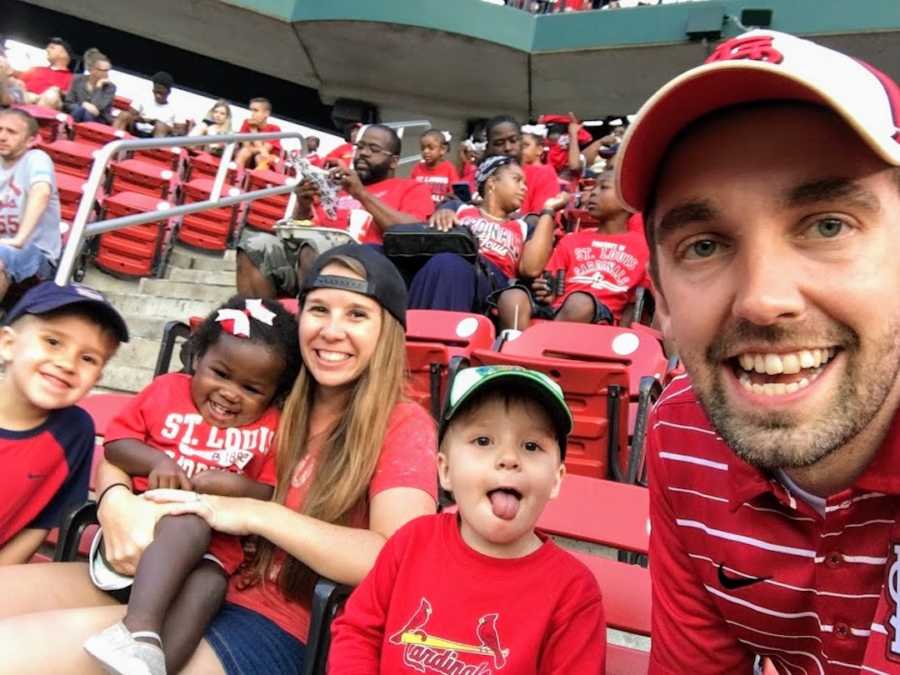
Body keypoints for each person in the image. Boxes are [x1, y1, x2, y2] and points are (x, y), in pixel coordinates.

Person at [0, 243, 438, 675]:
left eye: (356, 314)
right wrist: (115, 500)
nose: (331, 329)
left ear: (388, 331)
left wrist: (251, 513)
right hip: (166, 573)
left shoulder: (402, 424)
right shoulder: (262, 387)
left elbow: (394, 558)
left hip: (272, 619)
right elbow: (133, 443)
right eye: (319, 309)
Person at [614, 30, 900, 672]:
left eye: (829, 224)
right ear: (659, 297)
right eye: (705, 245)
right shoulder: (683, 431)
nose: (762, 301)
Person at [329, 365, 606, 673]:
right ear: (445, 471)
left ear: (556, 479)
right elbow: (358, 633)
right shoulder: (411, 543)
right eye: (483, 441)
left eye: (531, 446)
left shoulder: (573, 592)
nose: (509, 459)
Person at [82, 296, 300, 675]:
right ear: (197, 359)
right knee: (189, 518)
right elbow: (116, 446)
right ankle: (138, 630)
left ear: (274, 393)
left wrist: (232, 485)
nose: (231, 392)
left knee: (211, 588)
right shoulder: (166, 390)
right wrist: (157, 460)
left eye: (252, 388)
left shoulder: (272, 427)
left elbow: (269, 492)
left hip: (216, 551)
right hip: (145, 530)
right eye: (220, 373)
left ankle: (151, 667)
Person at [0, 281, 128, 565]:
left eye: (88, 358)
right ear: (8, 344)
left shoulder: (75, 431)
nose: (68, 364)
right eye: (53, 342)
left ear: (97, 379)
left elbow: (41, 519)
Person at [236, 124, 433, 298]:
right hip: (311, 259)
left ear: (394, 161)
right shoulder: (336, 187)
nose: (363, 153)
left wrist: (361, 194)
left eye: (373, 149)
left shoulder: (411, 188)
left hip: (364, 269)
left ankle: (308, 324)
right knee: (255, 245)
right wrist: (303, 204)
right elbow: (308, 229)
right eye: (360, 147)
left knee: (315, 246)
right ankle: (258, 327)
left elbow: (412, 233)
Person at [408, 155, 567, 328]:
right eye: (517, 180)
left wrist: (548, 210)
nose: (524, 188)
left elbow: (531, 268)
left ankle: (438, 336)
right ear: (492, 182)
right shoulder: (458, 208)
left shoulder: (524, 225)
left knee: (449, 263)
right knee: (442, 263)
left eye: (525, 183)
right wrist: (441, 214)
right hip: (448, 268)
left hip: (494, 285)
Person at [529, 171, 649, 327]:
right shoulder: (571, 240)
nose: (593, 193)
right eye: (594, 188)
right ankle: (512, 344)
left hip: (603, 320)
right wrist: (546, 291)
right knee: (512, 296)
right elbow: (552, 288)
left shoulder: (643, 248)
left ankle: (536, 345)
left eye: (603, 187)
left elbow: (638, 302)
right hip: (559, 311)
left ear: (629, 201)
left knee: (580, 303)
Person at [0, 108, 62, 305]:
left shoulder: (35, 159)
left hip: (38, 258)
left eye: (11, 132)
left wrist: (19, 239)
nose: (2, 136)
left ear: (30, 140)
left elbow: (41, 192)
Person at [114, 71, 179, 138]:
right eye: (155, 92)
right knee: (124, 115)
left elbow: (174, 131)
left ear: (168, 92)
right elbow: (131, 114)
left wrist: (157, 123)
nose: (157, 96)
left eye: (161, 93)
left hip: (153, 135)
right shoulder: (143, 97)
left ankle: (155, 148)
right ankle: (113, 140)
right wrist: (141, 119)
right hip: (136, 128)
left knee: (160, 127)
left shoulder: (172, 110)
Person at [18, 37, 73, 110]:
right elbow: (17, 84)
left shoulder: (73, 79)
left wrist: (59, 91)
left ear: (64, 54)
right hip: (24, 101)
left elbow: (73, 99)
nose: (47, 50)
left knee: (51, 95)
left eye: (52, 48)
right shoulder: (35, 69)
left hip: (50, 107)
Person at [410, 128, 460, 205]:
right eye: (423, 148)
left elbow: (455, 193)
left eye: (431, 148)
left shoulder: (449, 168)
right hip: (419, 210)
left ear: (442, 149)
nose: (426, 151)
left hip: (441, 211)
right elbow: (411, 191)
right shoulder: (417, 168)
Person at [63, 51, 116, 124]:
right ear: (92, 70)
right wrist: (83, 105)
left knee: (88, 114)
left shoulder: (110, 87)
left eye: (107, 70)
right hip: (76, 112)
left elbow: (97, 108)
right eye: (103, 70)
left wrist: (99, 87)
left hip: (98, 119)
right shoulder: (77, 79)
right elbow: (68, 103)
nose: (106, 74)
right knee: (80, 110)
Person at [235, 98, 282, 171]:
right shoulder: (246, 123)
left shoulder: (275, 129)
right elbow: (246, 146)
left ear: (266, 113)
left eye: (256, 110)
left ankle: (257, 180)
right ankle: (236, 176)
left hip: (268, 161)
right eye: (251, 110)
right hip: (249, 159)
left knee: (259, 157)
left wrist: (254, 131)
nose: (252, 114)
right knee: (244, 151)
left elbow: (264, 152)